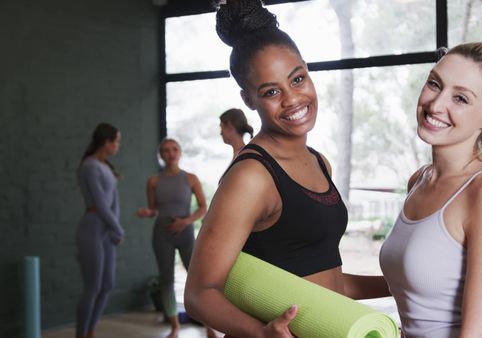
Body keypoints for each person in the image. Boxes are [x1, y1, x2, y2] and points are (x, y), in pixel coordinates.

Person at [184, 1, 388, 337]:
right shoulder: (251, 176)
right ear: (249, 99)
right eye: (271, 92)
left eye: (297, 79)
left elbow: (328, 284)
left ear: (307, 71)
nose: (292, 99)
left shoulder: (319, 162)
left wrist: (399, 285)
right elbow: (199, 293)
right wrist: (261, 333)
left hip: (331, 328)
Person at [379, 39, 482, 338]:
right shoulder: (419, 179)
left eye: (461, 98)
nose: (436, 104)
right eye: (435, 84)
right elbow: (414, 289)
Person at [135, 138, 211, 338]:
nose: (170, 153)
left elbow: (203, 208)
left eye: (174, 149)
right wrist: (147, 212)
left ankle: (209, 326)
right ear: (161, 155)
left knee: (196, 279)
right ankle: (175, 326)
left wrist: (185, 222)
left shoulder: (191, 178)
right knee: (166, 281)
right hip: (162, 235)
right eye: (166, 150)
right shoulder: (153, 181)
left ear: (180, 152)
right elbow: (154, 209)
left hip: (185, 233)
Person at [75, 122, 125, 338]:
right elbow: (100, 204)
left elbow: (114, 203)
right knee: (93, 286)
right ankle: (82, 333)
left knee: (107, 284)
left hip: (106, 230)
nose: (118, 145)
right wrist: (118, 229)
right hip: (93, 228)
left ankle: (91, 330)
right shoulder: (89, 166)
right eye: (117, 141)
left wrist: (114, 229)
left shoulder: (105, 167)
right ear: (107, 142)